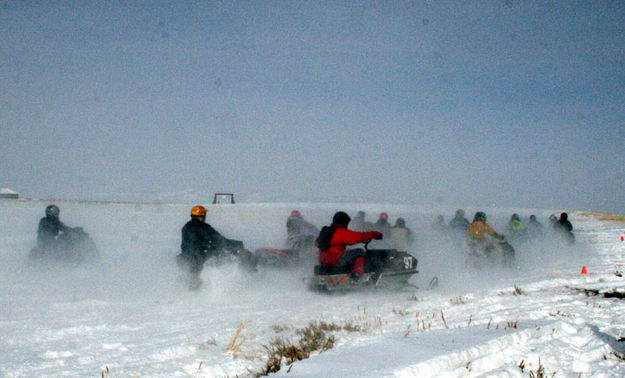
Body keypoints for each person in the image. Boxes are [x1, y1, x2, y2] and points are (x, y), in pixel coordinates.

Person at [177, 205, 256, 288]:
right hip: (200, 256)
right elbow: (217, 238)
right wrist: (235, 244)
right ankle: (247, 276)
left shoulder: (186, 227)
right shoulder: (203, 227)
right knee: (230, 256)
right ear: (202, 215)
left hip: (188, 256)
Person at [316, 211, 383, 281]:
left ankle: (351, 271)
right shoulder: (340, 231)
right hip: (335, 259)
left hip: (323, 260)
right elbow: (358, 236)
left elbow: (321, 243)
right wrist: (373, 234)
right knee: (359, 252)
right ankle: (357, 274)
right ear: (343, 222)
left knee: (349, 253)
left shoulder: (325, 231)